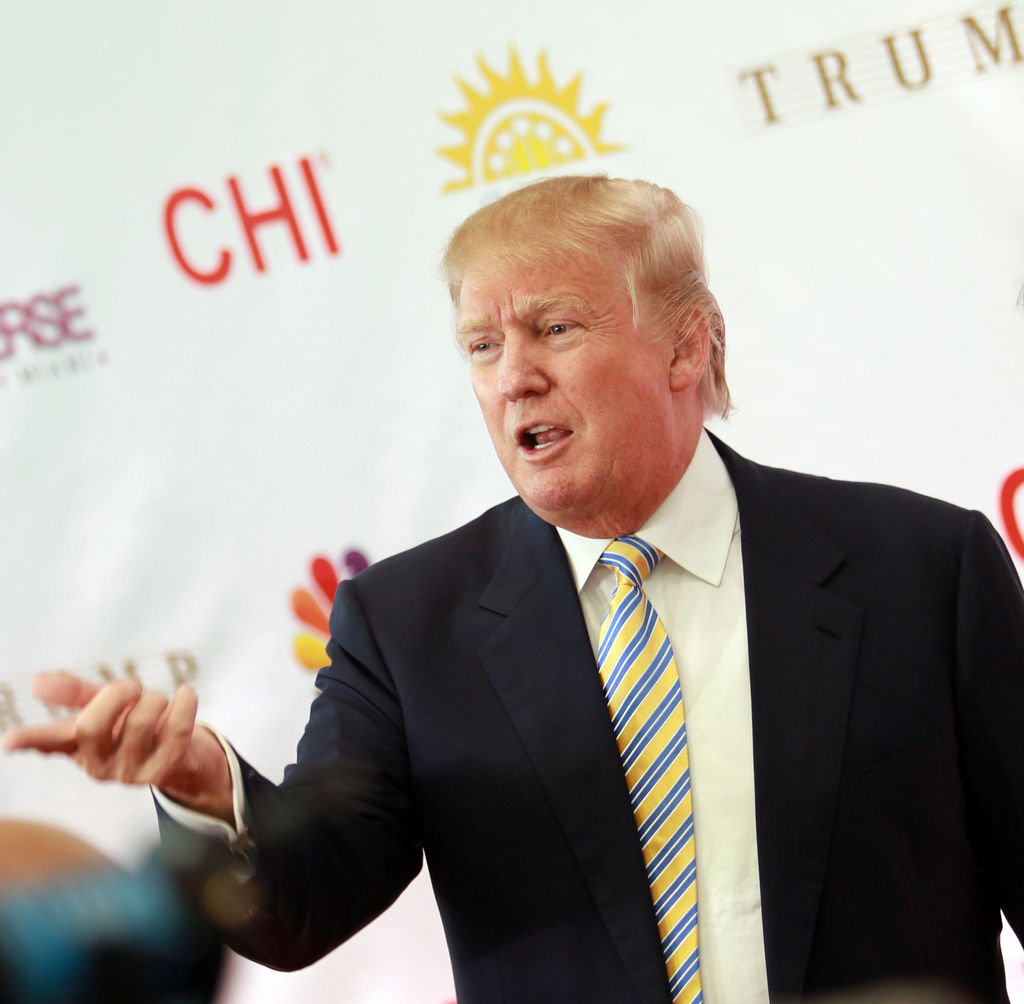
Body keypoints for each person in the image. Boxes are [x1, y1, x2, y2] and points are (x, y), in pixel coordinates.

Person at [5, 176, 1024, 1004]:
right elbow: (304, 903)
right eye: (483, 346)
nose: (511, 378)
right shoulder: (408, 624)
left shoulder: (923, 567)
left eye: (555, 328)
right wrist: (205, 788)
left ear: (686, 343)